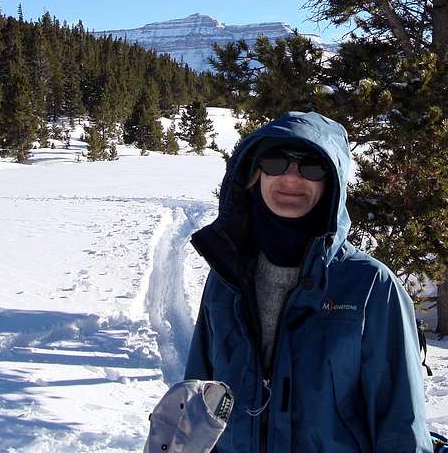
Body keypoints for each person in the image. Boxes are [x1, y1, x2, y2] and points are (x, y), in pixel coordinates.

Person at [185, 111, 432, 453]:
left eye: (311, 167)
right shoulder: (228, 274)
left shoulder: (370, 286)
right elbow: (198, 398)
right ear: (254, 175)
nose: (291, 178)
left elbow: (401, 423)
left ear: (332, 184)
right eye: (275, 163)